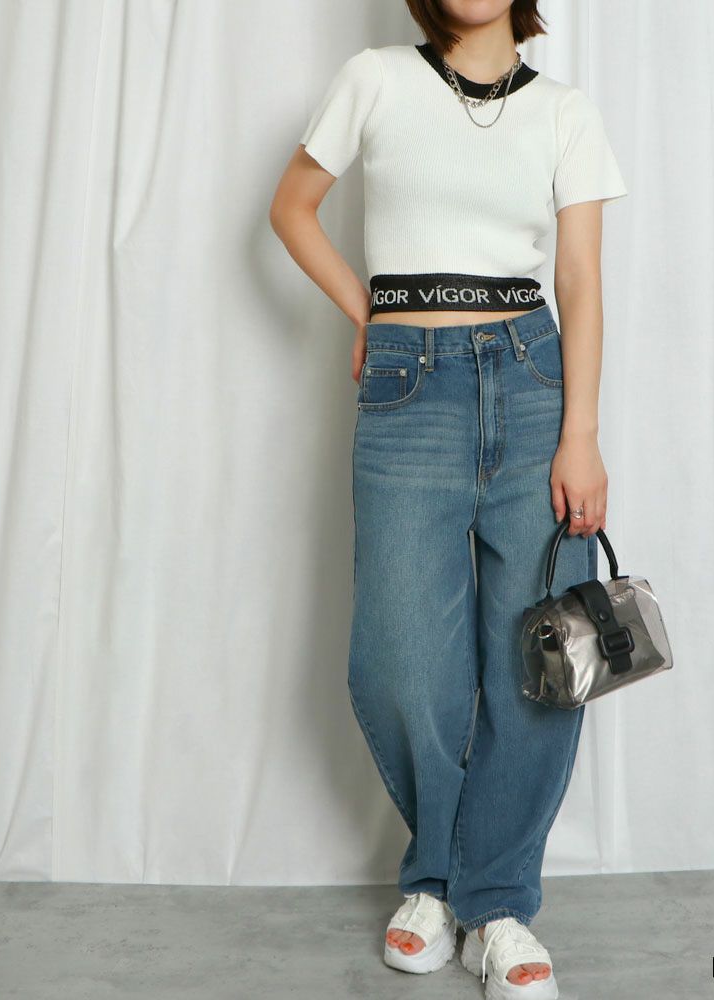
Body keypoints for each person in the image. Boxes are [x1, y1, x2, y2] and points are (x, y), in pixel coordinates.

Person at [270, 1, 626, 995]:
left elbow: (580, 280)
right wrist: (368, 314)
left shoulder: (564, 110)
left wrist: (581, 433)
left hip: (532, 378)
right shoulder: (375, 78)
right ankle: (442, 872)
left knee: (542, 657)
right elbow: (291, 207)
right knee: (398, 660)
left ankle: (493, 901)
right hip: (406, 386)